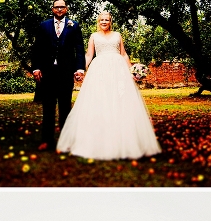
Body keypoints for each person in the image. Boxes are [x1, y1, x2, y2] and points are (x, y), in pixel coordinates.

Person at [57, 9, 160, 161]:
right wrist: (80, 70)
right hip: (99, 70)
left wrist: (132, 70)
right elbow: (89, 55)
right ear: (98, 22)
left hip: (118, 70)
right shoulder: (93, 36)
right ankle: (98, 141)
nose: (104, 22)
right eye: (102, 20)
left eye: (107, 19)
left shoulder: (117, 35)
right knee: (100, 101)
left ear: (110, 21)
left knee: (120, 101)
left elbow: (123, 54)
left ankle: (124, 142)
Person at [31, 0, 86, 149]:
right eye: (57, 7)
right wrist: (36, 67)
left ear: (66, 9)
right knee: (48, 107)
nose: (60, 9)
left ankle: (65, 142)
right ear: (52, 9)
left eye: (62, 7)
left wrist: (80, 68)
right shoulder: (44, 25)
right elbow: (37, 48)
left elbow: (79, 49)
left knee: (65, 107)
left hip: (66, 72)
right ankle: (47, 141)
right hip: (47, 72)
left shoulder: (73, 25)